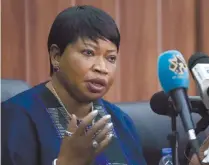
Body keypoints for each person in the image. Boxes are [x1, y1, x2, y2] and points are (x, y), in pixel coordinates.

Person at [1, 5, 147, 165]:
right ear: (56, 56)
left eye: (110, 58)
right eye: (88, 53)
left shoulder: (120, 122)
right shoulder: (15, 117)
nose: (102, 68)